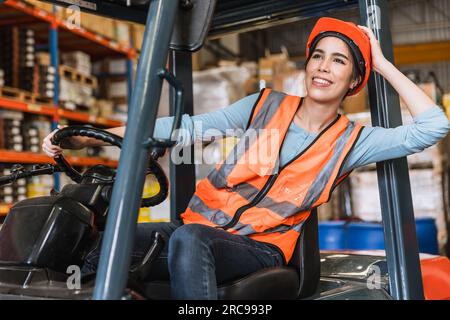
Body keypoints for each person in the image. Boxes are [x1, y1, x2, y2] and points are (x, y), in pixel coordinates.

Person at [42, 17, 450, 299]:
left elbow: (433, 126)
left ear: (353, 81)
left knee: (189, 238)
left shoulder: (352, 140)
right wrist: (83, 139)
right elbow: (177, 128)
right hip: (202, 232)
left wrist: (380, 64)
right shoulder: (263, 106)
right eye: (318, 56)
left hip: (259, 249)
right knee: (108, 235)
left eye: (339, 61)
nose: (323, 67)